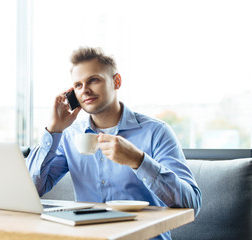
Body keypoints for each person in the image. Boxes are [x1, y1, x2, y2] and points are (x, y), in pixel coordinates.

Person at [26, 46, 201, 240]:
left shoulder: (156, 132)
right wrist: (54, 129)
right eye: (78, 85)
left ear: (116, 81)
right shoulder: (68, 136)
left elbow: (192, 203)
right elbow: (31, 189)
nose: (85, 90)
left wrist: (139, 160)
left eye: (93, 80)